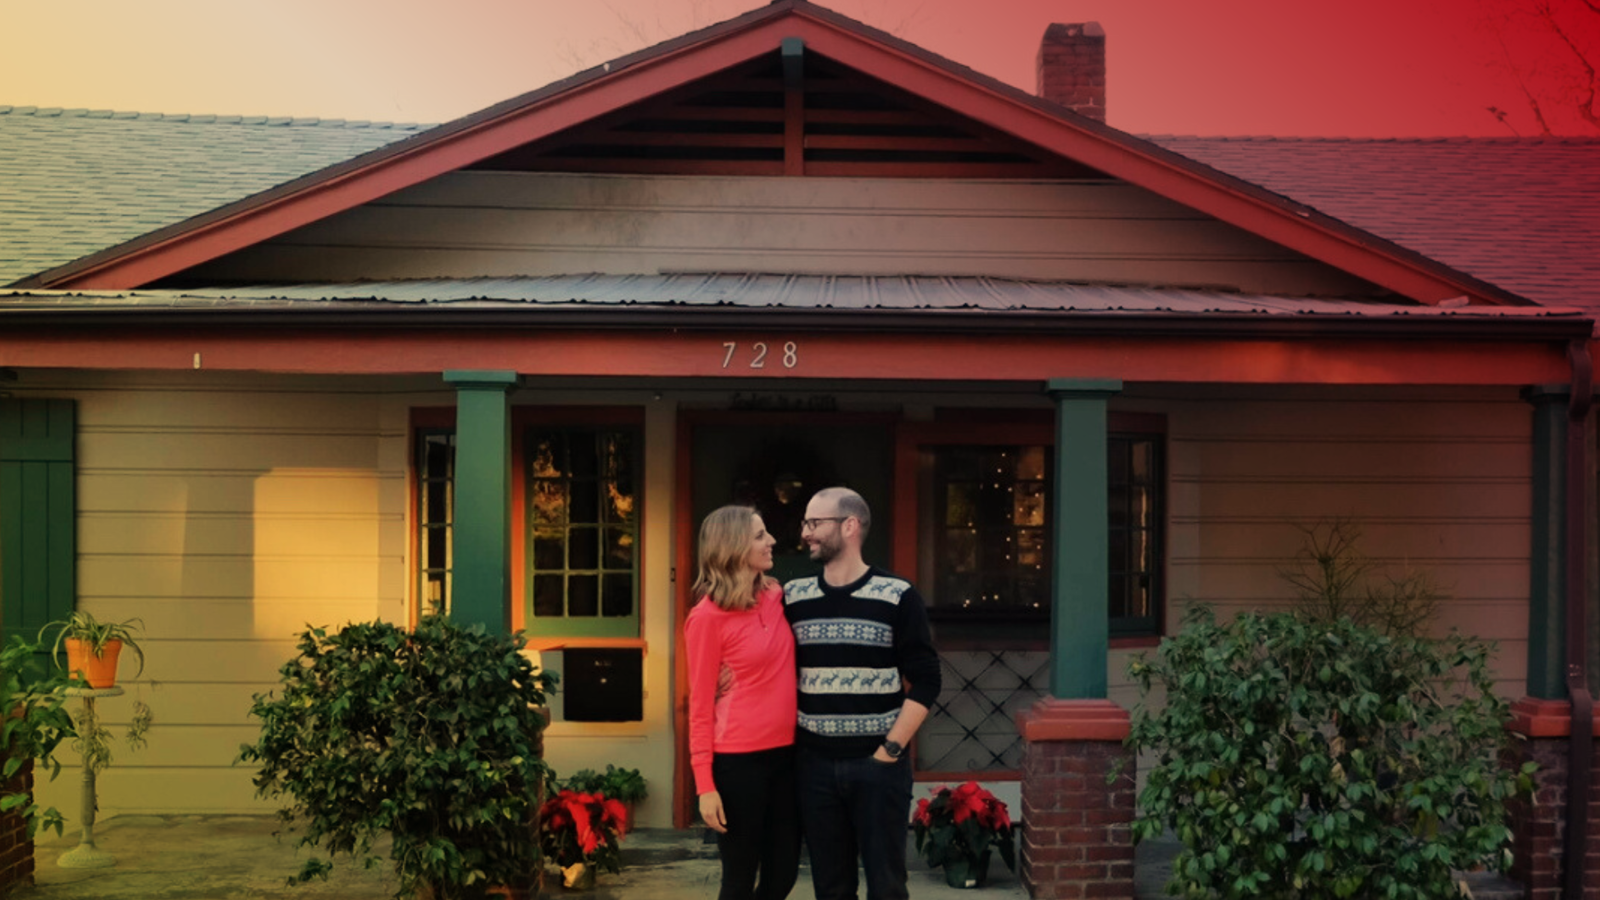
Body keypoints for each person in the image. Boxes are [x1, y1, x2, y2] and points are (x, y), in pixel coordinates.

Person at [783, 487, 941, 900]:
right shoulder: (793, 597)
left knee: (887, 886)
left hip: (878, 767)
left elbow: (927, 680)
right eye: (805, 524)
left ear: (850, 526)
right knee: (830, 889)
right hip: (814, 767)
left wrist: (888, 752)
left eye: (814, 523)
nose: (806, 533)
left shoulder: (897, 596)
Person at [685, 505, 801, 900]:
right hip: (737, 764)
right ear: (733, 547)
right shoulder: (706, 618)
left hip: (786, 757)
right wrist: (705, 785)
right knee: (738, 879)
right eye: (759, 535)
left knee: (783, 874)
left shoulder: (775, 595)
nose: (771, 541)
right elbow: (699, 705)